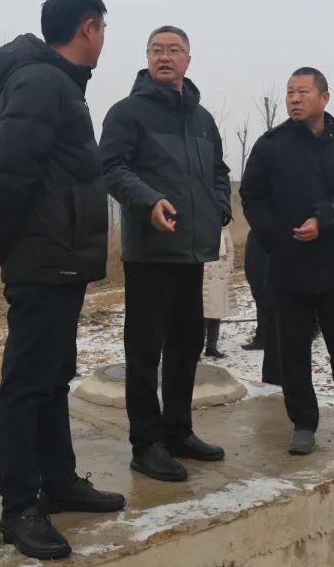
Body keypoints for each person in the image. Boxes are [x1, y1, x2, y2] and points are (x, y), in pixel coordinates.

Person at [0, 0, 125, 560]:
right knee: (26, 384)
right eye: (103, 29)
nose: (103, 40)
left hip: (59, 259)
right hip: (42, 259)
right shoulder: (43, 82)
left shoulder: (58, 83)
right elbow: (9, 172)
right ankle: (20, 506)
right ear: (88, 28)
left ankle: (58, 481)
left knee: (52, 376)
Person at [99, 25, 231, 483]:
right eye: (157, 50)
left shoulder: (202, 118)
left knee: (186, 345)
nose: (165, 56)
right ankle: (146, 443)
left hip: (193, 253)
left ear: (188, 59)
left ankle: (178, 430)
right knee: (144, 351)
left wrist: (219, 208)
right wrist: (148, 202)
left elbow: (218, 171)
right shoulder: (127, 113)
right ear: (147, 57)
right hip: (150, 254)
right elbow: (110, 167)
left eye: (174, 50)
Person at [240, 67, 334, 457]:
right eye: (290, 93)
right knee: (293, 350)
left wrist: (324, 219)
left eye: (303, 92)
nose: (294, 99)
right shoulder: (271, 145)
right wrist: (273, 237)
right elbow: (252, 196)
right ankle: (303, 423)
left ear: (324, 97)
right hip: (289, 264)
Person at [243, 229, 281, 385]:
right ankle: (260, 338)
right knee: (263, 310)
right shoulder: (255, 233)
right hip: (259, 281)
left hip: (270, 282)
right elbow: (250, 262)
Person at [202, 227, 236, 359]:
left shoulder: (223, 229)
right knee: (202, 315)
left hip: (220, 273)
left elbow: (230, 250)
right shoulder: (200, 225)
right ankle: (196, 348)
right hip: (205, 273)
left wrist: (228, 269)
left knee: (216, 314)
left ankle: (211, 346)